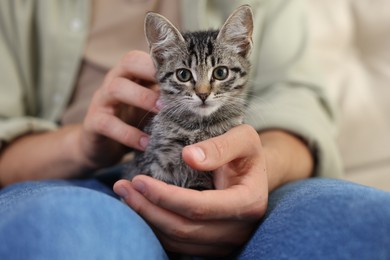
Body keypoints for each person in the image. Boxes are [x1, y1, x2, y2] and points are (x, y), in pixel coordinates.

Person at [0, 0, 389, 259]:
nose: (203, 91)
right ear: (161, 56)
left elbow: (299, 98)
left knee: (363, 218)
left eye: (218, 74)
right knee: (58, 228)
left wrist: (258, 171)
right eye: (187, 76)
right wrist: (81, 146)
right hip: (84, 181)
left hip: (264, 179)